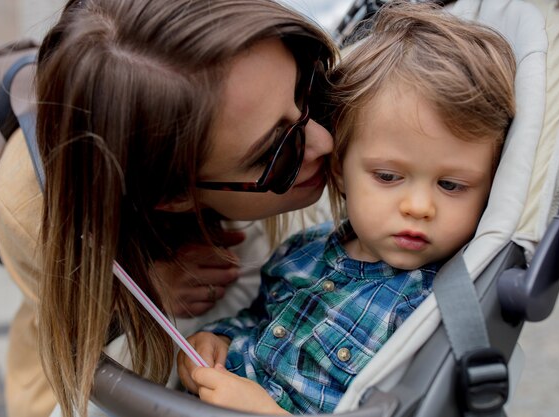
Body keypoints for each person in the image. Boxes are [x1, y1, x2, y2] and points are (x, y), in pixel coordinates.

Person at [0, 0, 338, 416]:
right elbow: (71, 336)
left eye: (309, 88)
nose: (324, 141)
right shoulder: (27, 209)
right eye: (276, 154)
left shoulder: (264, 102)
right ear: (173, 197)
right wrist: (130, 296)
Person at [177, 1, 517, 414]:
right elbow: (259, 319)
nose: (418, 207)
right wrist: (218, 339)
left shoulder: (431, 309)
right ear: (339, 171)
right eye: (388, 177)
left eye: (451, 184)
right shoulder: (302, 252)